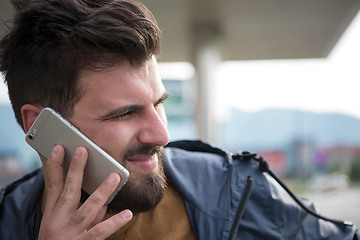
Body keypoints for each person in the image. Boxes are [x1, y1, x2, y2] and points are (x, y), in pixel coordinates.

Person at [0, 0, 359, 239]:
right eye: (124, 113)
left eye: (159, 103)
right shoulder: (8, 223)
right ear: (40, 126)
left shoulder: (237, 190)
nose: (163, 134)